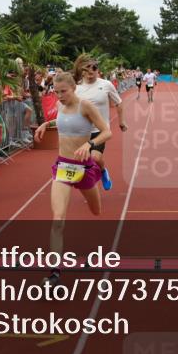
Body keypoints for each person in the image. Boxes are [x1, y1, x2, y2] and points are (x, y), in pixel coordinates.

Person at [32, 72, 111, 286]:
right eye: (56, 92)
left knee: (96, 211)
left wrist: (90, 144)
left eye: (63, 91)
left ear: (74, 88)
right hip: (63, 167)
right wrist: (44, 125)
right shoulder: (59, 106)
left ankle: (101, 170)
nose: (59, 96)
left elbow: (106, 132)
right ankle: (54, 273)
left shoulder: (85, 106)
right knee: (58, 220)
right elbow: (61, 122)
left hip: (83, 168)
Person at [72, 55, 127, 191]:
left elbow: (119, 103)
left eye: (94, 68)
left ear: (98, 70)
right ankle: (90, 185)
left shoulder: (106, 85)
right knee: (84, 160)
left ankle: (102, 171)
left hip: (100, 130)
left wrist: (121, 122)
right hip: (82, 131)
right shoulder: (76, 87)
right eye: (88, 68)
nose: (91, 71)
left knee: (95, 157)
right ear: (82, 70)